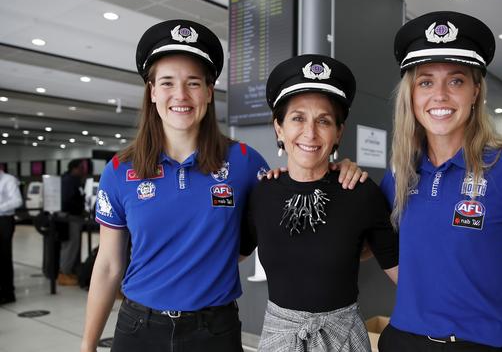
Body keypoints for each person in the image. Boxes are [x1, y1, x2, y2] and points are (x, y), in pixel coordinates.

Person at [80, 20, 366, 352]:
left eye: (193, 83)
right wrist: (87, 345)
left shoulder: (244, 162)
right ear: (152, 91)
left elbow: (294, 198)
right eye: (168, 82)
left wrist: (336, 171)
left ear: (209, 90)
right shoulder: (120, 169)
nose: (181, 95)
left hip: (214, 332)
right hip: (138, 329)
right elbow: (109, 265)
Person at [378, 11, 502, 351]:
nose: (440, 95)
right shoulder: (399, 172)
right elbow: (373, 245)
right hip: (402, 341)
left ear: (476, 91)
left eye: (456, 80)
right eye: (426, 81)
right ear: (412, 95)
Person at [241, 54, 399, 352]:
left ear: (339, 132)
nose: (310, 133)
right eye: (298, 118)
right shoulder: (260, 194)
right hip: (279, 338)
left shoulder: (361, 192)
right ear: (279, 128)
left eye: (323, 120)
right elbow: (226, 255)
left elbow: (403, 273)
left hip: (344, 338)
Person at [58, 159, 86, 286]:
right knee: (69, 246)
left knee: (73, 246)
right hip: (70, 217)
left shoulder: (73, 180)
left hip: (74, 216)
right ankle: (63, 273)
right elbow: (67, 200)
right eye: (80, 168)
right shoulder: (68, 181)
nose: (83, 170)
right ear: (74, 168)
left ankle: (68, 271)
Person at [0, 169, 23, 305]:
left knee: (4, 256)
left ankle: (8, 292)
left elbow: (17, 201)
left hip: (4, 221)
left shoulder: (8, 180)